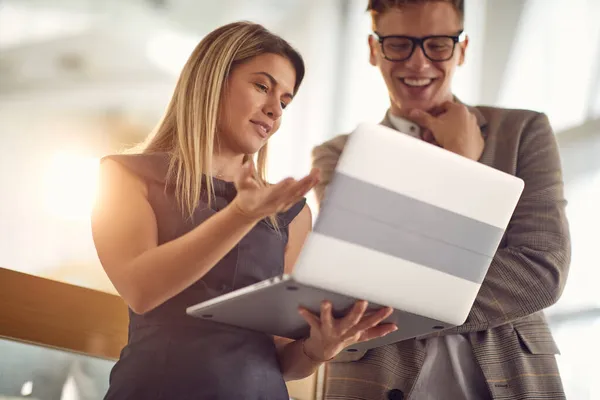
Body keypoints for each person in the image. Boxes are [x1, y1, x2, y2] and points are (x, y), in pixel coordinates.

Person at [92, 21, 397, 399]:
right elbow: (141, 290)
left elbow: (284, 360)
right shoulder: (127, 176)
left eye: (285, 101)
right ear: (212, 80)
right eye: (262, 86)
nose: (274, 110)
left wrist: (317, 350)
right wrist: (240, 216)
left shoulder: (290, 214)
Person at [311, 1, 571, 399]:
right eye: (398, 44)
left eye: (437, 44)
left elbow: (540, 271)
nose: (417, 63)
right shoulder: (337, 155)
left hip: (510, 376)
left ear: (461, 49)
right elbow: (358, 276)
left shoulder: (523, 132)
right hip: (376, 380)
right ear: (372, 49)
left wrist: (402, 292)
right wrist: (461, 164)